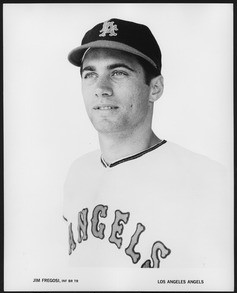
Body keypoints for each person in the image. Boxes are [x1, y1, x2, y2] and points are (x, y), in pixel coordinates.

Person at [63, 18, 231, 269]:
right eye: (90, 74)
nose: (101, 88)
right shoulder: (78, 171)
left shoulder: (209, 181)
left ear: (155, 88)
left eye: (118, 72)